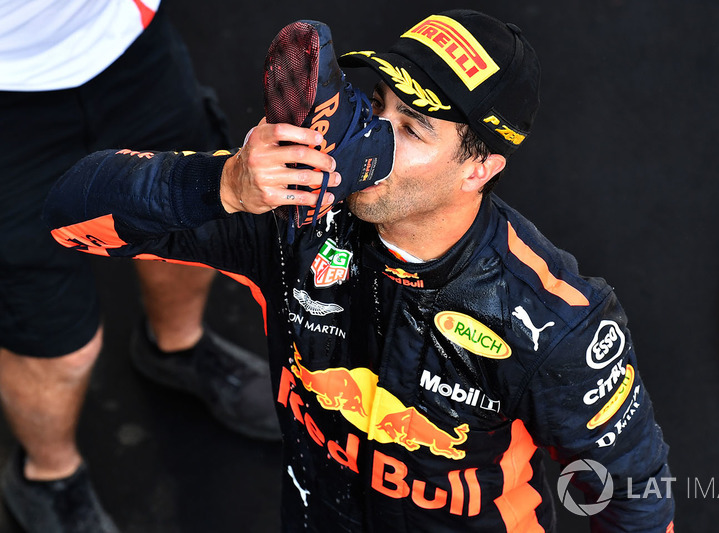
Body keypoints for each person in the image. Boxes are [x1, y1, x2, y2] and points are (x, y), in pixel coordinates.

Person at [43, 9, 675, 532]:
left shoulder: (554, 323)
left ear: (478, 168)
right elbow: (69, 213)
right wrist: (224, 184)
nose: (371, 135)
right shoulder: (291, 219)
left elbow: (635, 493)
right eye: (375, 104)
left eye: (412, 128)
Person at [0, 1, 279, 532]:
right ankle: (47, 476)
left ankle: (175, 349)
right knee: (52, 338)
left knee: (192, 228)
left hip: (129, 44)